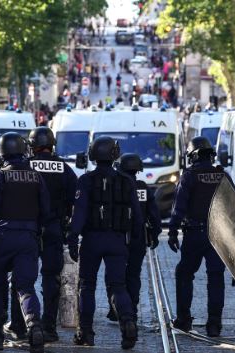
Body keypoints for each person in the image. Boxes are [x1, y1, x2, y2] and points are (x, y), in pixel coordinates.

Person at [0, 132, 50, 352]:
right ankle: (34, 325)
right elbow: (46, 211)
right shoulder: (36, 176)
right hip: (28, 238)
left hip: (1, 239)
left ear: (1, 152)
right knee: (26, 286)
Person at [67, 136, 143, 349]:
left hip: (92, 240)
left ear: (93, 154)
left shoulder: (85, 180)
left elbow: (79, 213)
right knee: (118, 286)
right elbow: (137, 215)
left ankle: (86, 332)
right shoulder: (127, 181)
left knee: (87, 286)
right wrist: (134, 241)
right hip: (118, 241)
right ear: (114, 154)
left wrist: (73, 237)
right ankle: (128, 322)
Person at [6, 127, 77, 342]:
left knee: (21, 279)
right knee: (51, 278)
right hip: (54, 228)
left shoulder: (25, 165)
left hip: (28, 228)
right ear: (52, 144)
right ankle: (48, 327)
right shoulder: (63, 168)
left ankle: (18, 325)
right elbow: (76, 198)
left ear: (31, 145)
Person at [168, 136, 233, 337]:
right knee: (216, 277)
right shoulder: (223, 175)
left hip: (195, 234)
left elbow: (179, 207)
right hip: (219, 235)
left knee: (184, 273)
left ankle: (184, 320)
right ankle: (214, 324)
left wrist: (172, 232)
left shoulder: (190, 176)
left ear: (193, 155)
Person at [106, 153, 162, 322]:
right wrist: (155, 234)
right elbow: (154, 214)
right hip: (138, 237)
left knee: (114, 275)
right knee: (133, 274)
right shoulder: (143, 188)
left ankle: (116, 308)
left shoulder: (114, 185)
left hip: (117, 236)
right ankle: (133, 308)